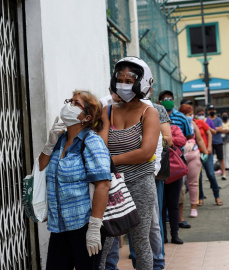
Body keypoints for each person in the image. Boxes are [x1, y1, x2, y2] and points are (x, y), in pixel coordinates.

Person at [39, 90, 112, 270]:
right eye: (69, 101)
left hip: (84, 226)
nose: (68, 105)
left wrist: (94, 228)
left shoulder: (92, 142)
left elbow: (103, 185)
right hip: (59, 225)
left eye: (75, 103)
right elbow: (41, 168)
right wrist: (49, 144)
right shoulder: (60, 140)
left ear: (86, 117)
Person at [100, 56, 160, 269]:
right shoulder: (107, 111)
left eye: (128, 80)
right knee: (104, 239)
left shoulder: (149, 112)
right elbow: (101, 146)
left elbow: (146, 152)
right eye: (120, 79)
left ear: (141, 83)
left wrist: (112, 160)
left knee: (140, 239)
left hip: (140, 183)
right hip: (110, 185)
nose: (123, 84)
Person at [158, 91, 193, 230]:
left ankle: (180, 219)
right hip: (160, 161)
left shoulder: (180, 117)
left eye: (170, 99)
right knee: (163, 198)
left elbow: (186, 137)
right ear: (160, 101)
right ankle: (165, 228)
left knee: (179, 194)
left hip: (176, 160)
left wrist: (171, 140)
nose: (168, 101)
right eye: (164, 99)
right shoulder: (155, 114)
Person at [179, 104, 208, 218]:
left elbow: (199, 139)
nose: (190, 116)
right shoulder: (176, 123)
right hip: (180, 156)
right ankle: (179, 211)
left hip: (194, 155)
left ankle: (193, 207)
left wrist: (205, 153)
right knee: (180, 185)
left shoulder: (193, 123)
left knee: (193, 183)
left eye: (191, 114)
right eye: (187, 114)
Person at [195, 106, 223, 206]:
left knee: (211, 173)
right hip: (196, 152)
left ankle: (217, 196)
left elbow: (212, 132)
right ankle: (200, 197)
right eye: (199, 113)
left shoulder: (205, 122)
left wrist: (209, 147)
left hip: (206, 151)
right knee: (198, 177)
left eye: (202, 113)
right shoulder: (193, 122)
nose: (201, 115)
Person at [208, 105, 227, 180]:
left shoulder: (218, 119)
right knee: (210, 159)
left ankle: (224, 173)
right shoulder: (207, 119)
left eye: (213, 109)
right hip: (209, 142)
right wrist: (215, 129)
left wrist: (210, 128)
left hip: (218, 142)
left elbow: (221, 128)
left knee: (221, 158)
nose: (211, 111)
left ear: (215, 111)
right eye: (210, 110)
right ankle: (211, 174)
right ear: (208, 111)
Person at [221, 111, 229, 176]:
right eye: (223, 115)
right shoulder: (220, 122)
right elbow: (219, 130)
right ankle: (223, 171)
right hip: (221, 141)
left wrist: (223, 131)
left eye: (226, 115)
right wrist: (227, 130)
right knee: (222, 156)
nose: (225, 116)